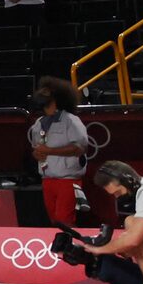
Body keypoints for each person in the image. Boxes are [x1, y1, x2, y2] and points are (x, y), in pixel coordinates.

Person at [27, 77, 92, 228]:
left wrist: (50, 151)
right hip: (47, 179)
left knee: (65, 220)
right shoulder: (39, 123)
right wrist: (37, 154)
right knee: (54, 221)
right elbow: (36, 149)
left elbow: (80, 148)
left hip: (68, 179)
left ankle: (72, 248)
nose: (46, 107)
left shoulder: (71, 120)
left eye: (48, 104)